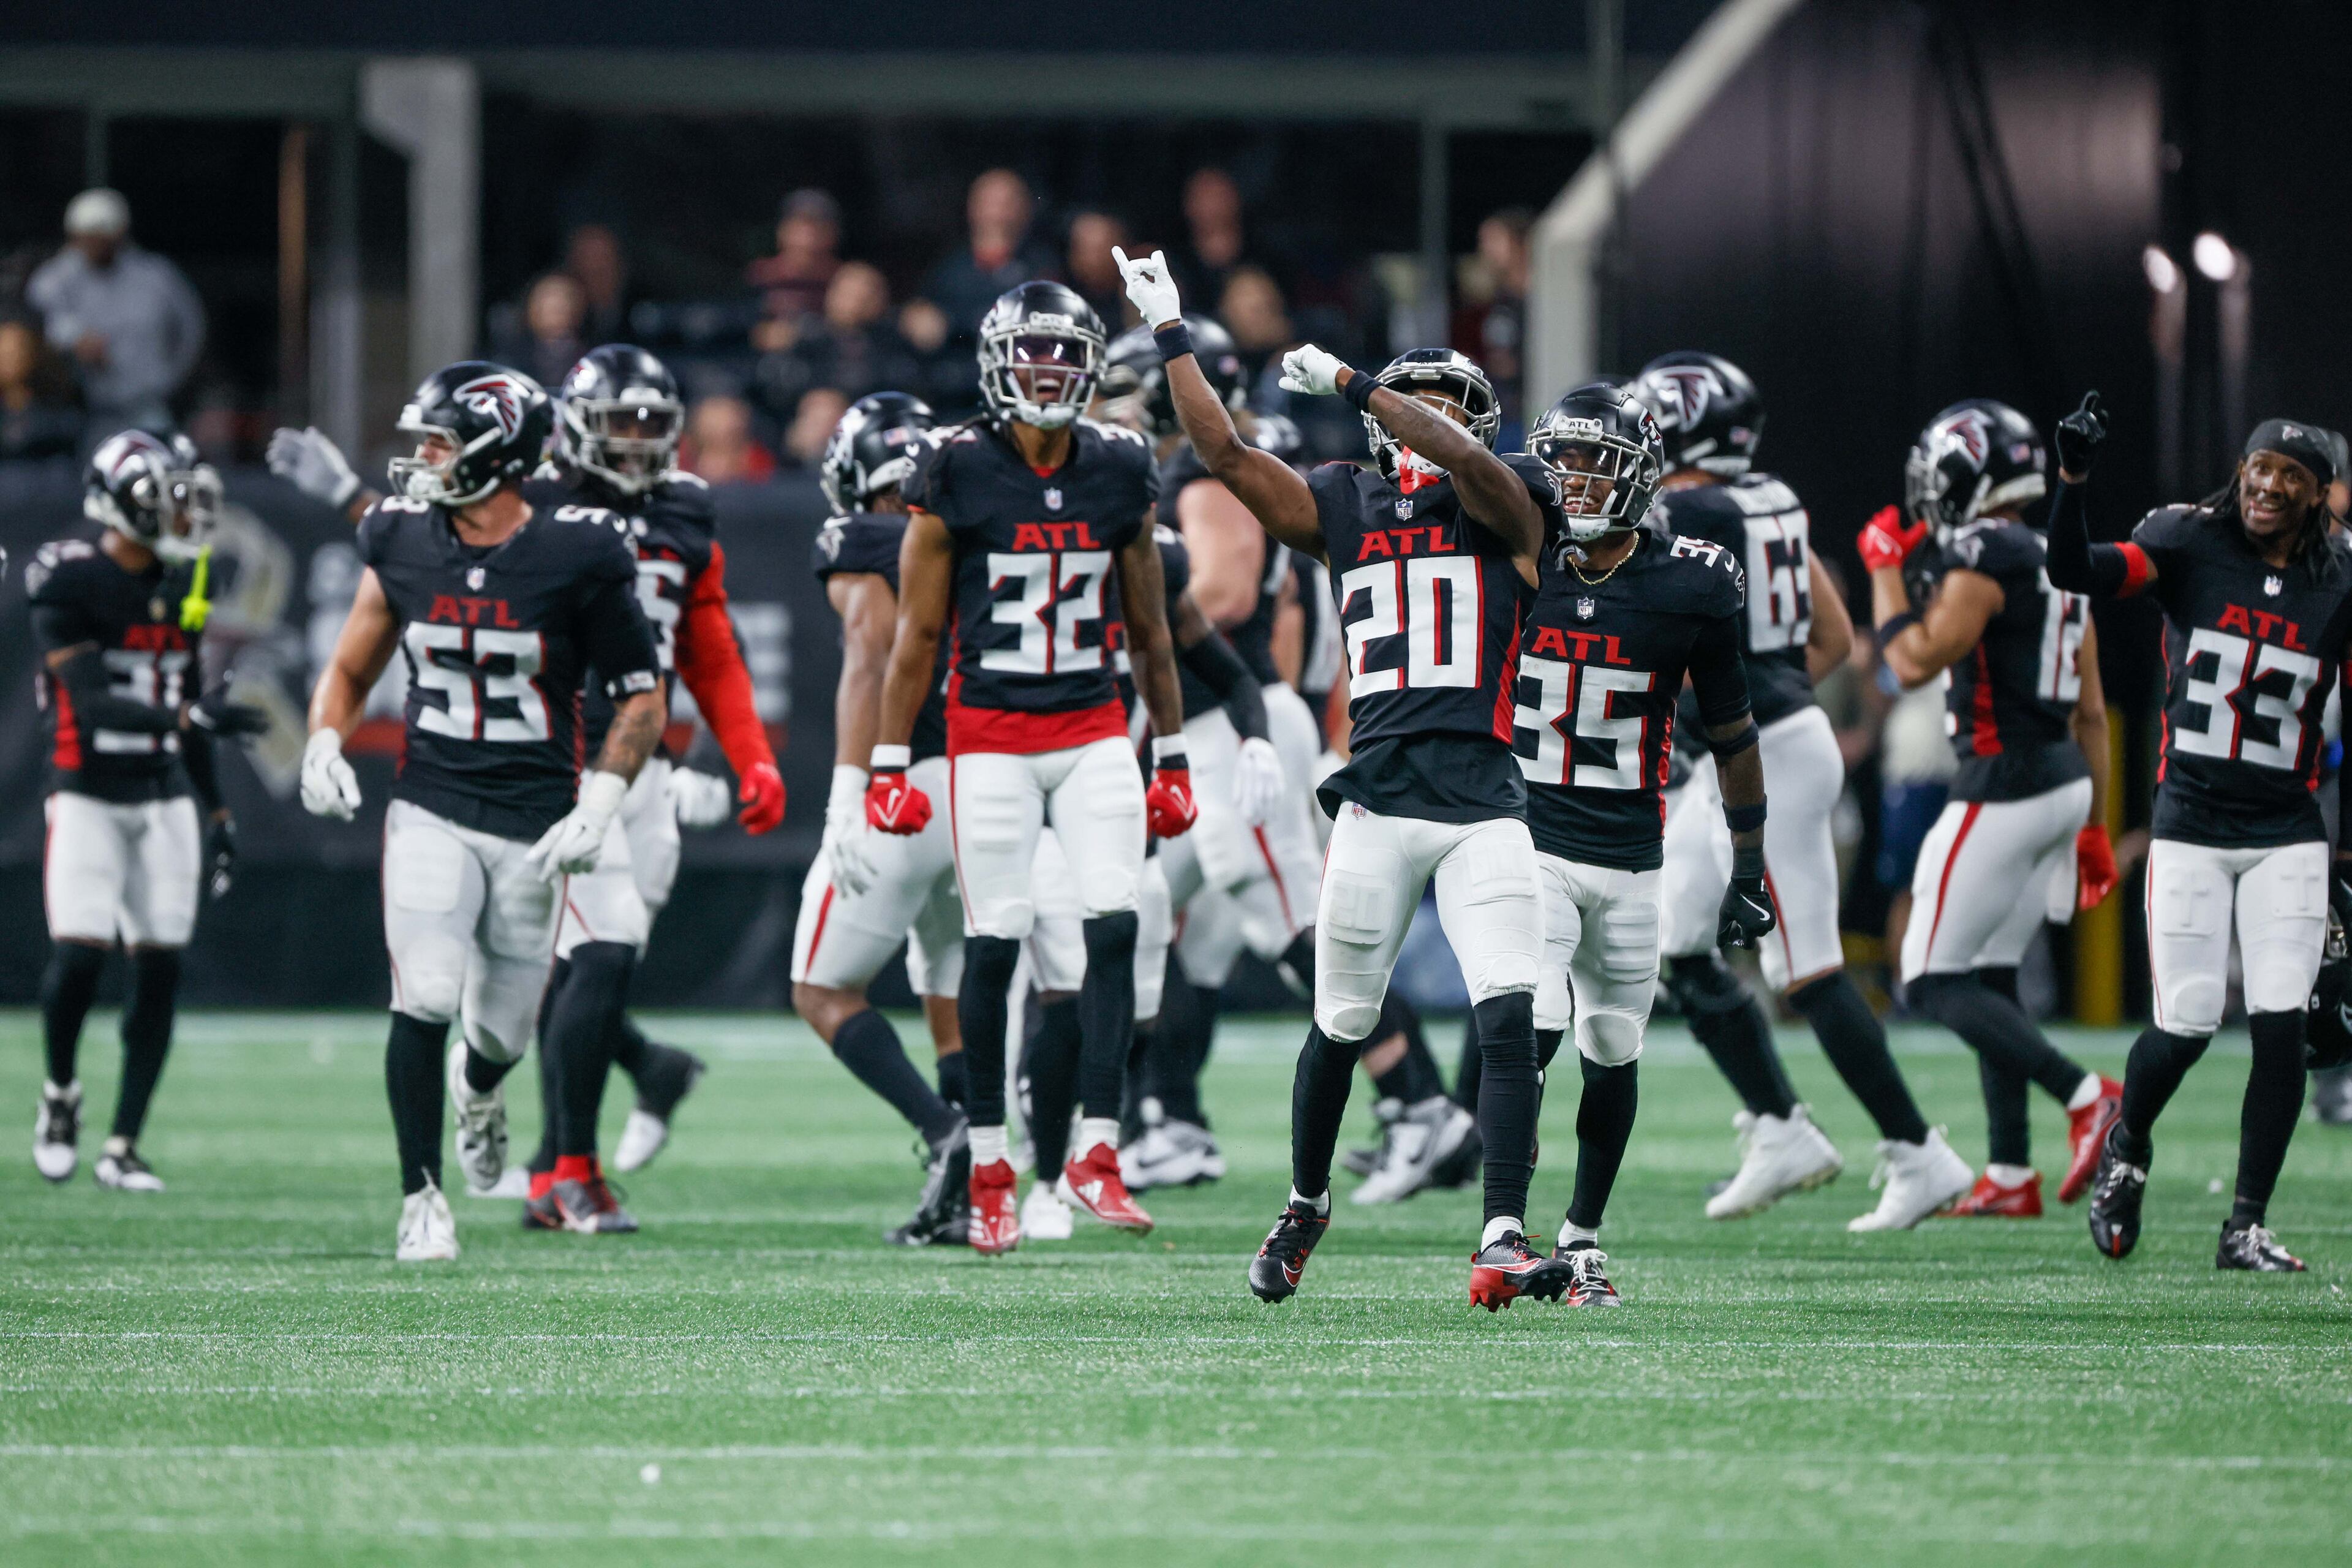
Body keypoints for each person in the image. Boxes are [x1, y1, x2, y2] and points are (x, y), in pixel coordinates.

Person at [1117, 246, 1565, 1309]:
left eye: (1452, 410)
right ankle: (1306, 1201)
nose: (1435, 424)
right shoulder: (1344, 504)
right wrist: (1175, 330)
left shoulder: (1511, 503)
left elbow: (1477, 466)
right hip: (1378, 803)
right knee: (1339, 1024)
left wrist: (1368, 386)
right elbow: (1221, 451)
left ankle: (1502, 1231)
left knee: (1510, 1011)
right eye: (1421, 407)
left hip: (1483, 805)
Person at [269, 346, 780, 1208]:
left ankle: (568, 1134)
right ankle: (568, 1164)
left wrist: (741, 751)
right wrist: (349, 498)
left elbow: (705, 644)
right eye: (621, 422)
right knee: (568, 961)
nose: (637, 442)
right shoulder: (532, 504)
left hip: (628, 756)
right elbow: (427, 554)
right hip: (536, 761)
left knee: (584, 966)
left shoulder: (683, 510)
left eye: (654, 424)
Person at [299, 362, 665, 1261]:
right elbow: (352, 666)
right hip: (431, 802)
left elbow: (641, 698)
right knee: (422, 993)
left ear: (499, 454)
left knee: (499, 1031)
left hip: (535, 819)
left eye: (441, 441)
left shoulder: (578, 550)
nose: (421, 458)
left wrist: (602, 803)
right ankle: (421, 1196)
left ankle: (480, 1086)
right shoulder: (399, 537)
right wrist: (323, 738)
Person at [865, 280, 1192, 1253]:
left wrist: (1170, 752)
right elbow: (918, 634)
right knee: (996, 938)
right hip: (992, 734)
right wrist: (889, 759)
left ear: (1090, 367)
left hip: (1093, 727)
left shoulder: (1121, 464)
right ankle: (993, 1159)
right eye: (1032, 354)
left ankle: (1096, 1149)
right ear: (997, 364)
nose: (1048, 373)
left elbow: (1149, 628)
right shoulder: (954, 465)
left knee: (1116, 921)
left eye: (1065, 355)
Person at [1632, 350, 1972, 1231]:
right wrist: (1754, 709)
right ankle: (1782, 1128)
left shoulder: (1687, 509)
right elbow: (1833, 630)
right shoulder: (1770, 498)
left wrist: (1745, 718)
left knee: (1809, 970)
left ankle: (1918, 1153)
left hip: (1767, 758)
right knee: (1677, 937)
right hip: (1761, 745)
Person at [2048, 395, 2352, 1272]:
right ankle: (2128, 1144)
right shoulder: (2188, 541)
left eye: (2291, 476)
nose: (2267, 484)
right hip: (2189, 821)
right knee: (2182, 1024)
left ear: (2320, 496)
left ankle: (2244, 1224)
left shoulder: (2339, 579)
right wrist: (2073, 479)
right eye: (2260, 466)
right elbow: (2075, 570)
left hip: (2288, 828)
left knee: (2281, 1025)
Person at [1509, 381, 1776, 1305]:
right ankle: (1507, 1228)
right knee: (1530, 1029)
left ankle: (1582, 1238)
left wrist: (1748, 865)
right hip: (1527, 836)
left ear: (1640, 474)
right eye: (1562, 462)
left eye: (1593, 463)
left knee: (1613, 1049)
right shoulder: (1513, 554)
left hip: (1631, 849)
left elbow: (1735, 732)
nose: (1573, 483)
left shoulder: (1691, 582)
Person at [1859, 399, 2123, 1217]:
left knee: (1930, 977)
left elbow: (1910, 660)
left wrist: (1882, 569)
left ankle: (2087, 1098)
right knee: (1993, 971)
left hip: (2002, 783)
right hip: (2062, 777)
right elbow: (2091, 709)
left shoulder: (1983, 553)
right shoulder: (2059, 553)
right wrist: (2094, 825)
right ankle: (2010, 1171)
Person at [1090, 320, 1324, 1194]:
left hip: (1244, 722)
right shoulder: (1227, 464)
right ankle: (1174, 1119)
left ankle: (1414, 1095)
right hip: (1237, 719)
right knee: (1173, 928)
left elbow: (1234, 600)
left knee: (1288, 918)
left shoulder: (1205, 469)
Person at [28, 429, 266, 1190]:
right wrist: (188, 722)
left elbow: (185, 703)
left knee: (160, 966)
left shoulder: (184, 579)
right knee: (78, 955)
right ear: (117, 501)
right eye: (165, 497)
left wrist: (219, 811)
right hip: (88, 790)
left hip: (163, 796)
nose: (183, 512)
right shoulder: (69, 580)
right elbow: (95, 704)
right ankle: (61, 1093)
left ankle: (124, 1142)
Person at [796, 391, 974, 1246]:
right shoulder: (977, 528)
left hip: (905, 786)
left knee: (821, 988)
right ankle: (973, 1185)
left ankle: (946, 1135)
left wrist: (850, 787)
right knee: (945, 980)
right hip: (987, 785)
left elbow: (871, 656)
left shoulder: (865, 537)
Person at [24, 189, 204, 437]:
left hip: (149, 406)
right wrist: (75, 338)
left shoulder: (155, 277)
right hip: (81, 415)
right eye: (87, 237)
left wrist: (172, 381)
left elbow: (191, 331)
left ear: (120, 234)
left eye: (102, 236)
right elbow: (42, 319)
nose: (94, 245)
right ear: (74, 237)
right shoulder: (57, 278)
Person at [910, 171, 1058, 345]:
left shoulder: (1043, 265)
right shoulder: (951, 269)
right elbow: (924, 314)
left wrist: (954, 324)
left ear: (1026, 210)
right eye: (990, 203)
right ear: (972, 208)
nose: (997, 214)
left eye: (1007, 204)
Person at [748, 189, 844, 347]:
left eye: (818, 228)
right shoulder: (762, 276)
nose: (807, 239)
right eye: (800, 227)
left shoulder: (843, 281)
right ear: (782, 232)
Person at [0, 317, 83, 462]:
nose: (9, 361)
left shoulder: (57, 405)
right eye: (4, 354)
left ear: (31, 354)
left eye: (15, 352)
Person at [679, 395, 775, 485]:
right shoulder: (679, 454)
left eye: (731, 411)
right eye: (715, 408)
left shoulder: (757, 462)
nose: (722, 422)